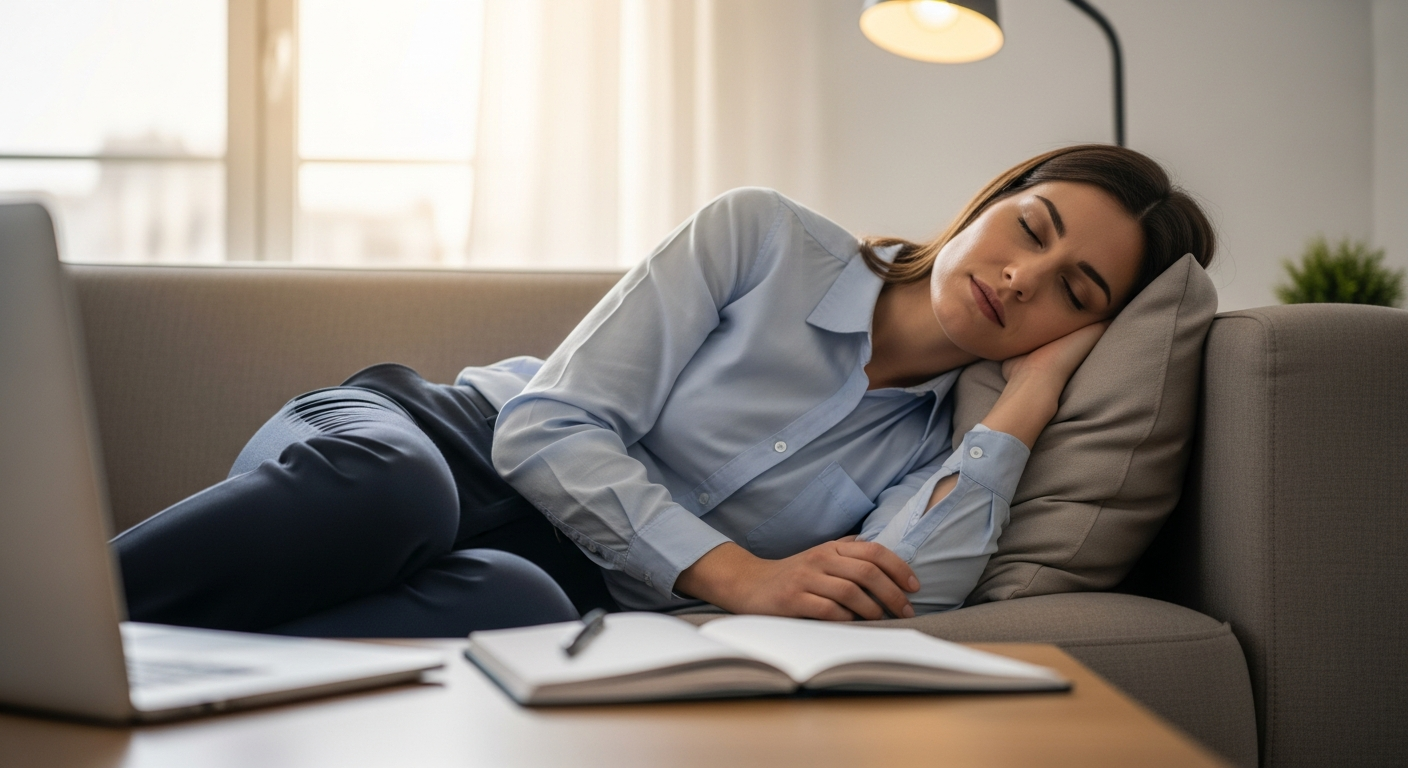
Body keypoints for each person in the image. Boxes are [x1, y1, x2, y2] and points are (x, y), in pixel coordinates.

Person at [112, 144, 1216, 637]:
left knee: (523, 609)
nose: (1020, 278)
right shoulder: (764, 237)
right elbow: (548, 429)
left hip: (550, 578)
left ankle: (153, 695)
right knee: (393, 497)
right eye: (1030, 228)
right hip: (432, 442)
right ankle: (54, 629)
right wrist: (741, 577)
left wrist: (1026, 404)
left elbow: (910, 593)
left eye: (1070, 291)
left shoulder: (936, 449)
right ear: (992, 198)